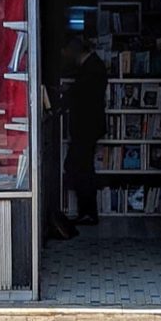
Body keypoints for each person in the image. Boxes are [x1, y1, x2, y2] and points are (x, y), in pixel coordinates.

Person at [61, 37, 108, 225]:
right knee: (83, 167)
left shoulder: (92, 68)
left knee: (80, 168)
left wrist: (68, 91)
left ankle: (87, 212)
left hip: (86, 127)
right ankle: (87, 212)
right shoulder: (94, 65)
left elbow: (83, 94)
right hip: (89, 127)